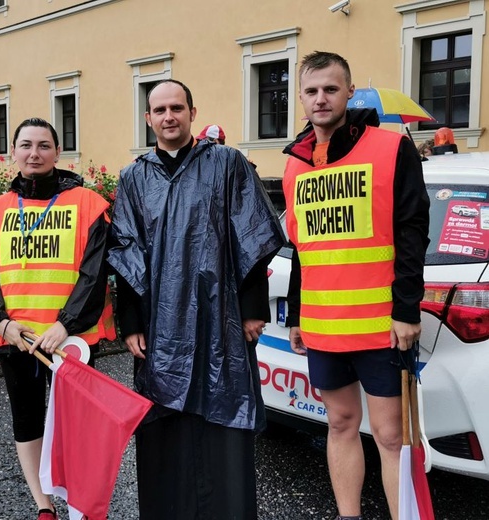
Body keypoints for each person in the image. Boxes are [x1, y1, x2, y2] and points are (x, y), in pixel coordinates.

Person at [108, 79, 284, 519]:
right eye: (160, 110)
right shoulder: (133, 177)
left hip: (220, 313)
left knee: (222, 406)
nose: (169, 116)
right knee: (163, 414)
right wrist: (131, 321)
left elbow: (252, 239)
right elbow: (125, 251)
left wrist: (252, 310)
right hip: (158, 322)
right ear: (148, 118)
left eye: (177, 108)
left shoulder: (227, 165)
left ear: (192, 112)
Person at [282, 51, 430, 520]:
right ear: (301, 100)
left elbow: (412, 232)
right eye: (311, 91)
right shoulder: (295, 164)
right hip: (325, 325)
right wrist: (298, 315)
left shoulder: (390, 147)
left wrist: (406, 310)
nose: (321, 98)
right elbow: (302, 248)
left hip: (381, 326)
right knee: (341, 423)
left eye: (330, 88)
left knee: (390, 437)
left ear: (349, 92)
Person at [0, 117, 115, 520]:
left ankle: (80, 502)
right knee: (28, 420)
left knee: (77, 425)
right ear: (13, 152)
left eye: (44, 145)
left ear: (58, 152)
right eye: (26, 145)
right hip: (17, 337)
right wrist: (1, 324)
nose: (34, 153)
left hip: (72, 338)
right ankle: (44, 504)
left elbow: (95, 273)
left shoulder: (89, 204)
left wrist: (64, 325)